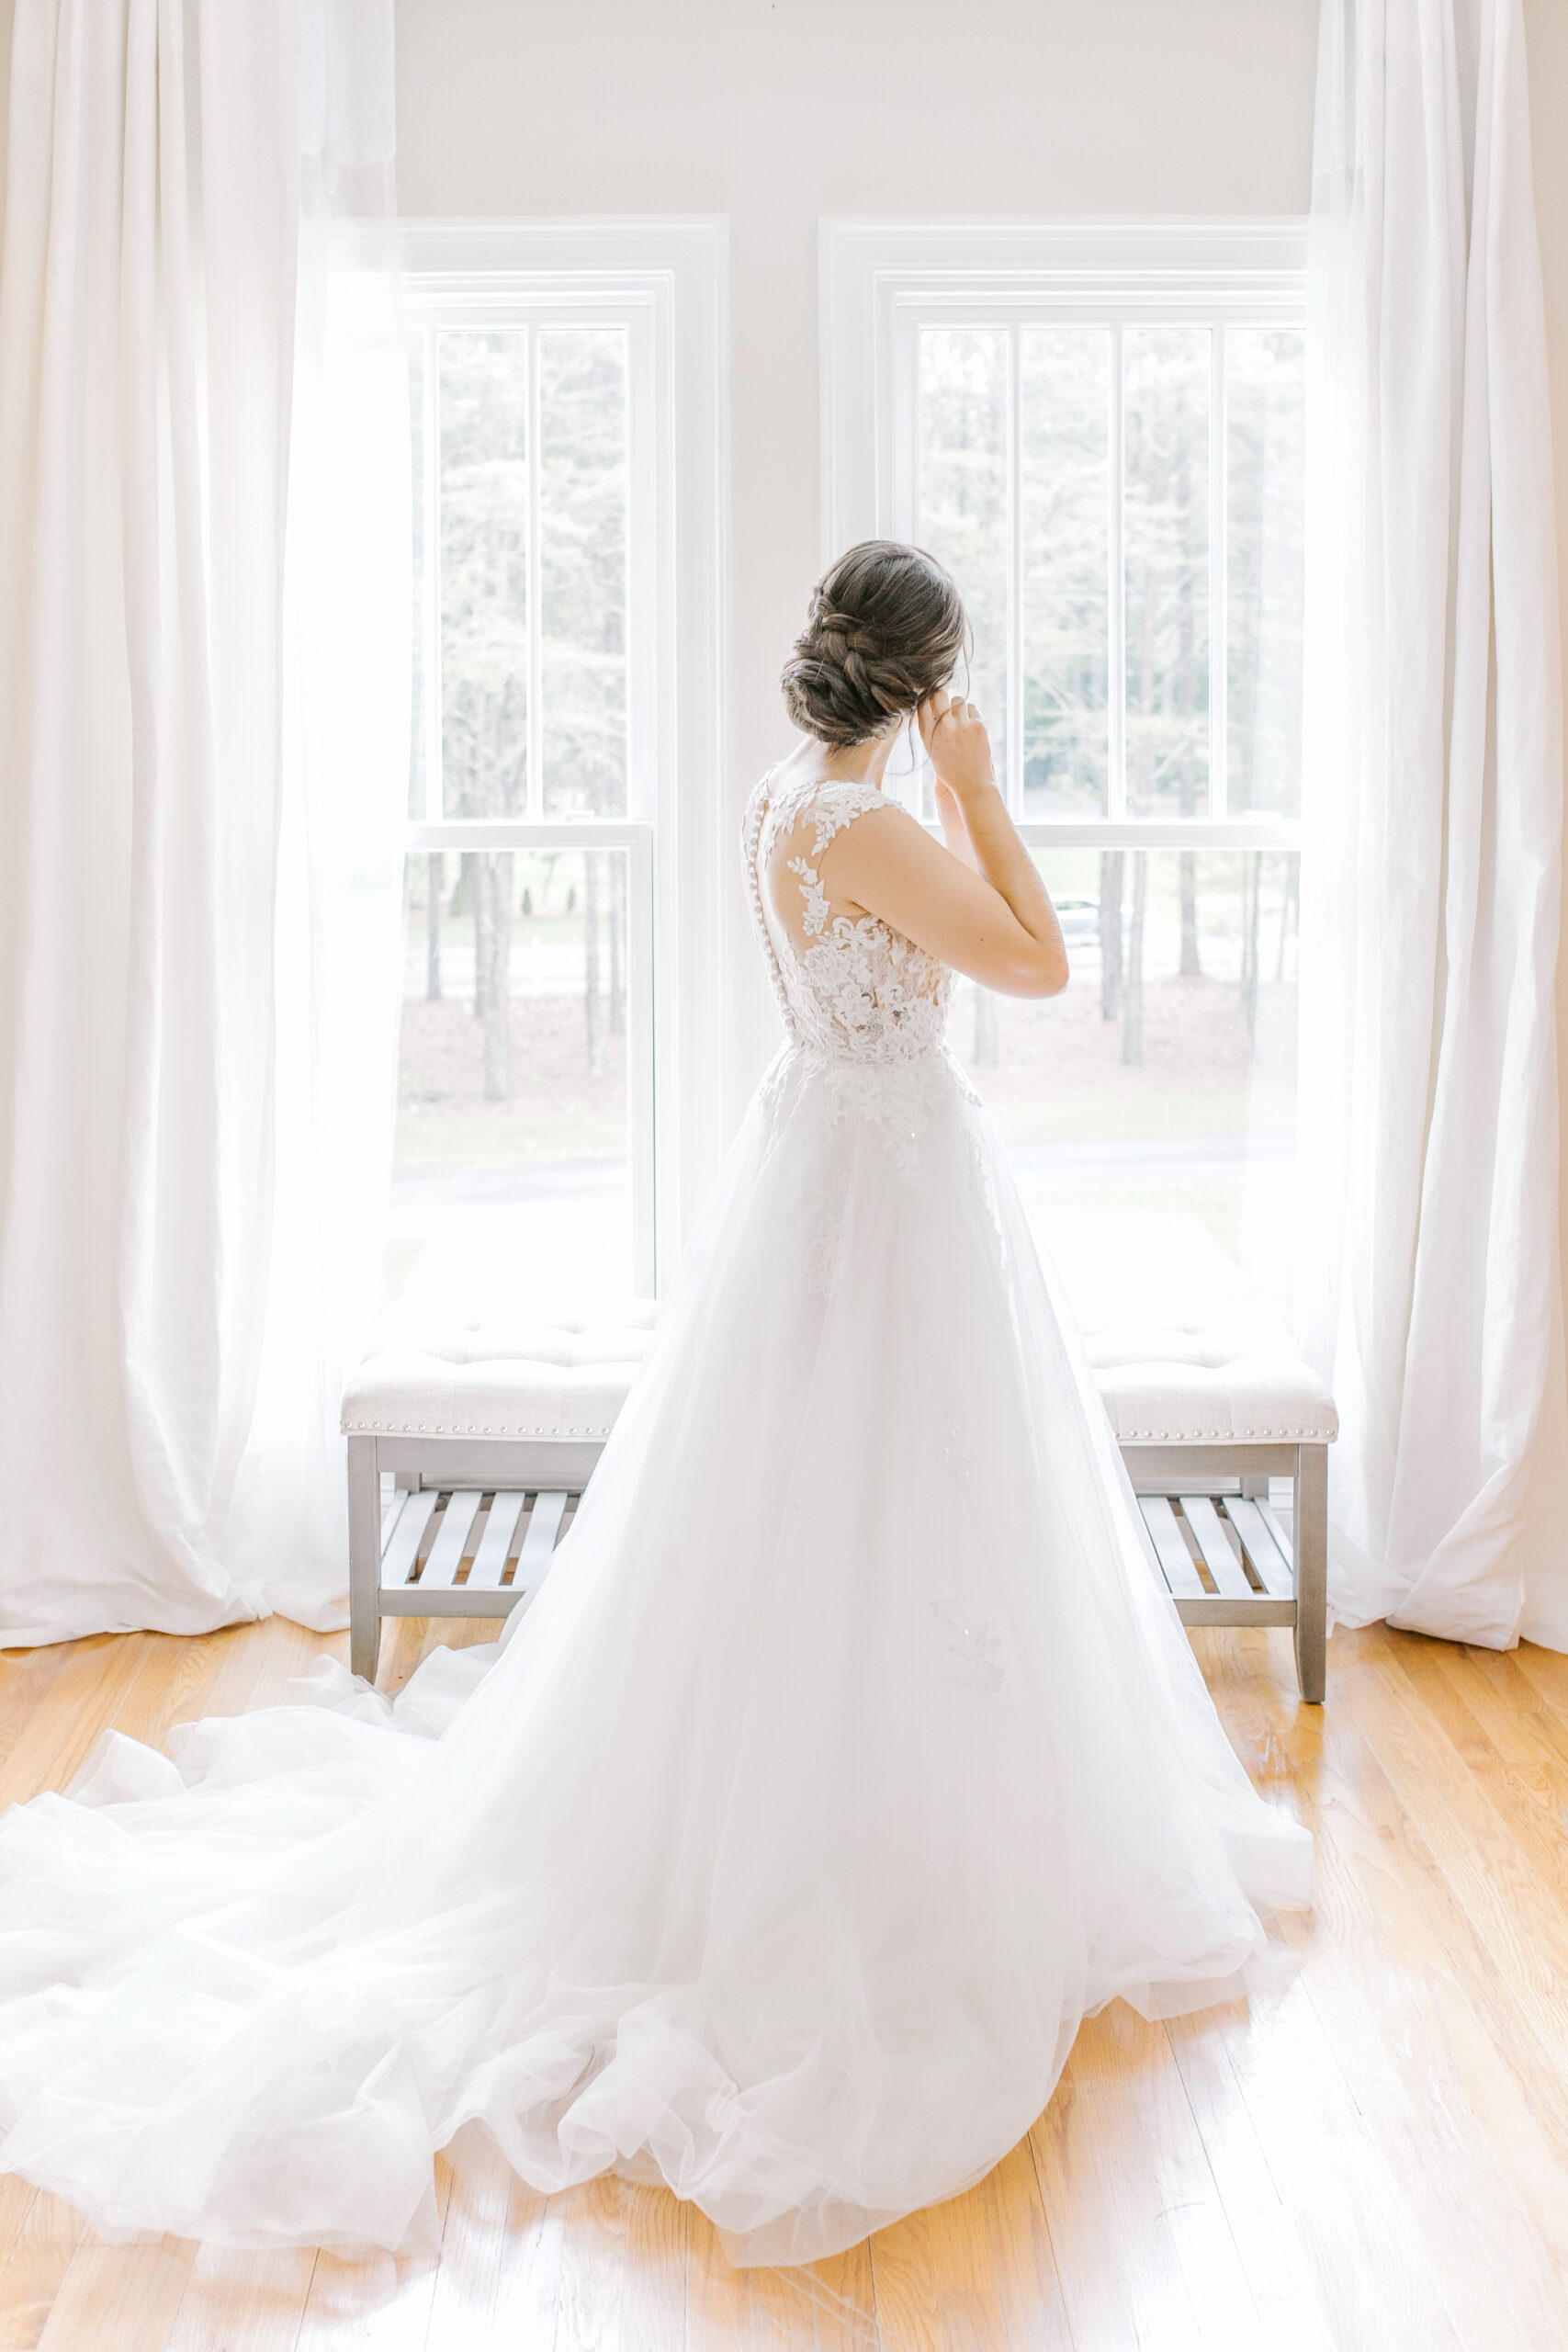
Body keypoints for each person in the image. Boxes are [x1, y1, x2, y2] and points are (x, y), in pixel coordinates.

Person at [0, 541, 1310, 2268]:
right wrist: (987, 793)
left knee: (833, 1508)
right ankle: (861, 1861)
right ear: (922, 683)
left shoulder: (791, 799)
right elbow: (1041, 969)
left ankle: (844, 1806)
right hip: (888, 1173)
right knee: (892, 1500)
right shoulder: (875, 823)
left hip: (834, 1160)